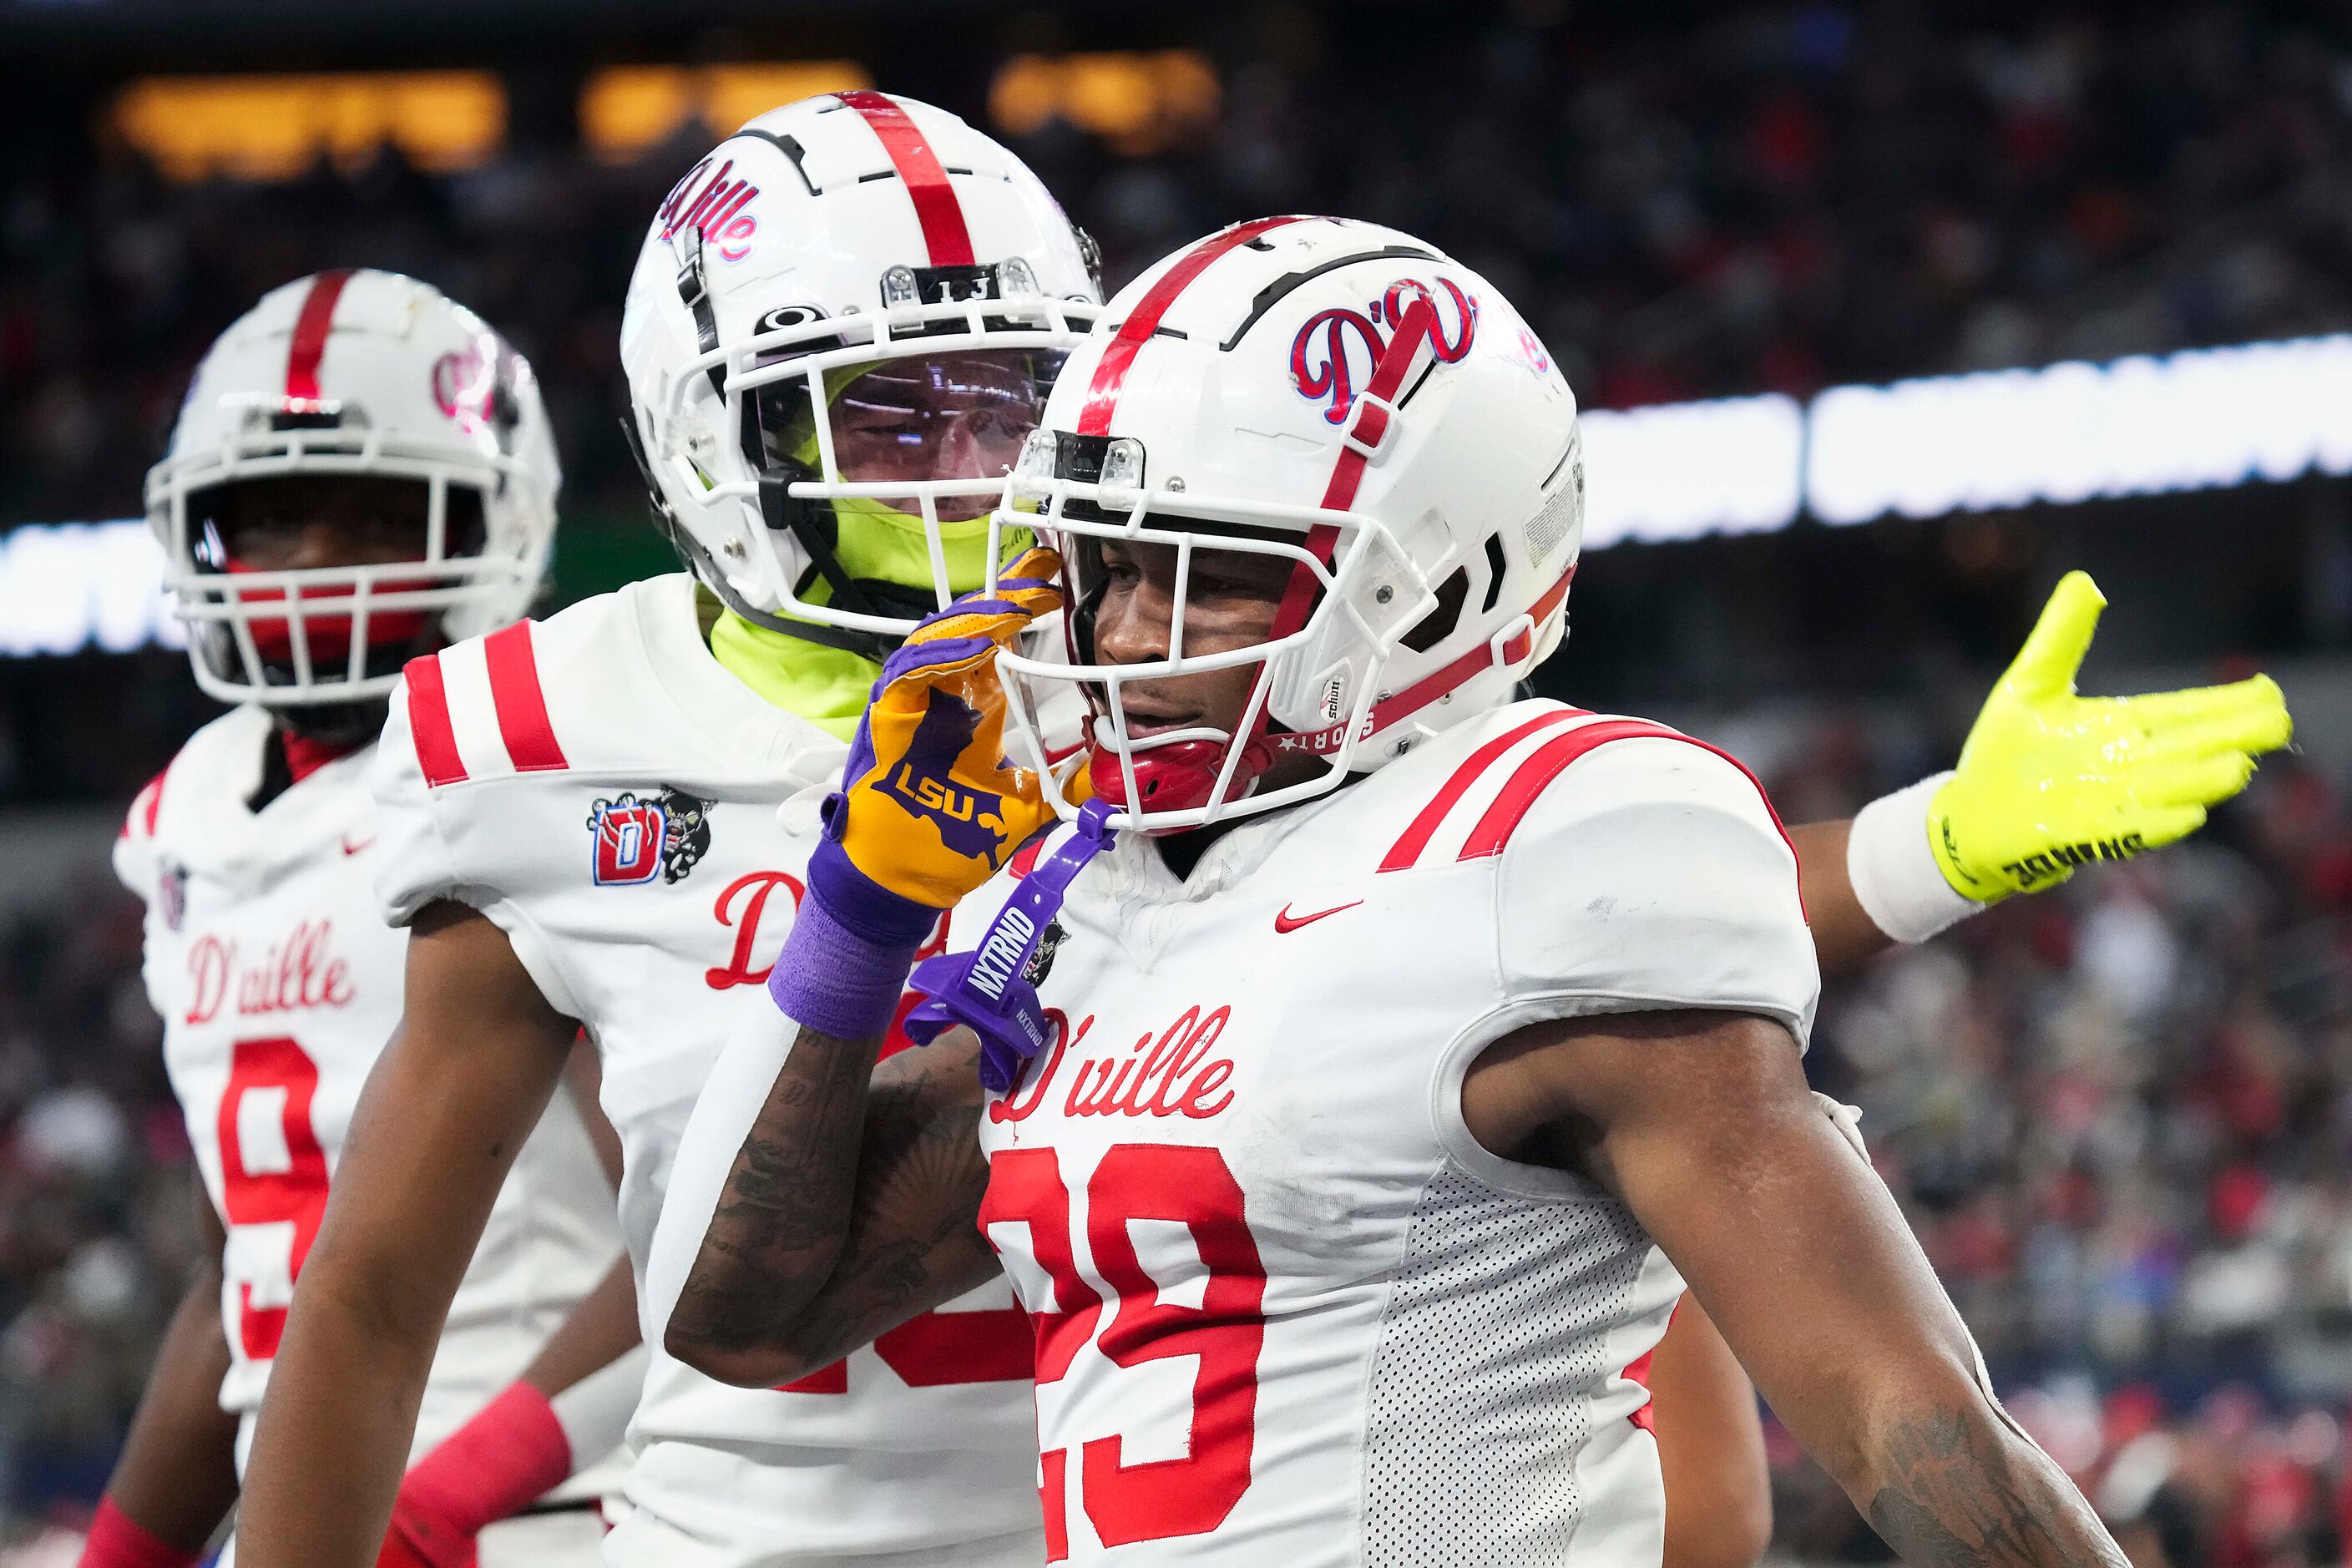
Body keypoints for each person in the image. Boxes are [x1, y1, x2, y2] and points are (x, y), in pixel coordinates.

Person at [658, 215, 2290, 1565]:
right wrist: (864, 911)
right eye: (1106, 567)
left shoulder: (1558, 842)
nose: (1135, 640)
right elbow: (746, 1315)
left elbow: (1908, 1425)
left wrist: (1909, 855)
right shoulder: (1107, 896)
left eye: (1214, 576)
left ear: (1436, 585)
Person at [232, 95, 1104, 1568]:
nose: (968, 461)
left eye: (1010, 393)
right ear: (719, 430)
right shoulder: (547, 733)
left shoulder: (1170, 685)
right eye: (889, 408)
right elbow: (375, 1293)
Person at [90, 270, 642, 1568]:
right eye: (271, 519)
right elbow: (251, 1276)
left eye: (377, 514)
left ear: (498, 519)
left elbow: (696, 1234)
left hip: (556, 1514)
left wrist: (454, 1492)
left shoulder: (545, 761)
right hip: (310, 1518)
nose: (316, 565)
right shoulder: (188, 816)